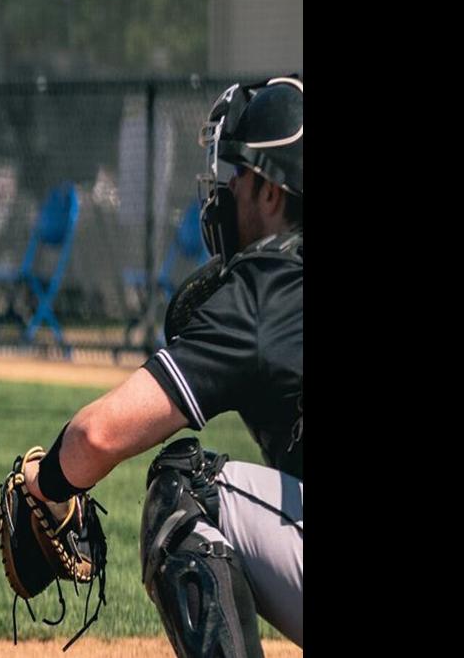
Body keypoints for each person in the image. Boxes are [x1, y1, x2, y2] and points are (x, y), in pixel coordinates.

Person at [21, 76, 303, 656]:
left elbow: (99, 435)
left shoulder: (269, 287)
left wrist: (46, 485)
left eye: (238, 178)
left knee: (187, 492)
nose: (225, 194)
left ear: (272, 192)